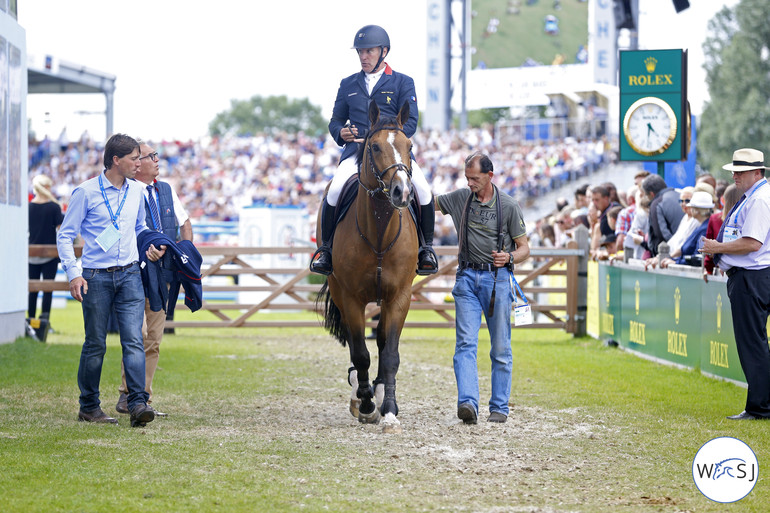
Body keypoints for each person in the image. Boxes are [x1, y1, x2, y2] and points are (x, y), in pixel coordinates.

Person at [310, 25, 437, 276]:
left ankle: (426, 249)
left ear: (383, 51)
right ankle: (325, 250)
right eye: (360, 52)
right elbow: (335, 122)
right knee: (334, 190)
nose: (363, 57)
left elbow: (410, 123)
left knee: (423, 189)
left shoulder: (403, 82)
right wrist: (340, 133)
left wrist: (384, 136)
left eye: (369, 51)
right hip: (356, 152)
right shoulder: (348, 84)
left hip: (391, 153)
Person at [57, 134, 164, 427]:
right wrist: (73, 274)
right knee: (95, 344)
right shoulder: (86, 192)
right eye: (134, 158)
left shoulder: (137, 192)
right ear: (116, 160)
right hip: (95, 277)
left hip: (130, 274)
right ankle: (88, 407)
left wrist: (150, 244)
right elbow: (65, 235)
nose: (139, 164)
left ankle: (137, 403)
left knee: (134, 340)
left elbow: (139, 226)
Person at [435, 153, 530, 424]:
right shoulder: (458, 199)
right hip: (465, 278)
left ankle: (499, 407)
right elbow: (427, 204)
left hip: (497, 281)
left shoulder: (509, 206)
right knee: (465, 343)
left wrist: (510, 257)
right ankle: (468, 403)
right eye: (467, 178)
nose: (470, 183)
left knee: (500, 346)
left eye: (474, 178)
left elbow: (524, 248)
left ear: (490, 175)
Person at [115, 140, 193, 418]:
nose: (157, 160)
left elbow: (184, 222)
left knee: (154, 339)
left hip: (164, 276)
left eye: (153, 155)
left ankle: (142, 397)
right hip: (135, 273)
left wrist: (187, 254)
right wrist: (144, 246)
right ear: (137, 165)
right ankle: (128, 396)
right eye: (150, 156)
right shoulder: (127, 191)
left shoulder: (166, 189)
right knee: (137, 335)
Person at [700, 148, 770, 420]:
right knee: (756, 342)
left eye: (740, 171)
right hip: (754, 275)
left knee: (752, 343)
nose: (734, 175)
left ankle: (759, 407)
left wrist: (718, 247)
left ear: (756, 172)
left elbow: (752, 243)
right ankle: (761, 403)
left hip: (751, 276)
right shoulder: (755, 196)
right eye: (734, 170)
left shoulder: (759, 200)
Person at [28, 174, 64, 322]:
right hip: (50, 253)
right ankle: (45, 321)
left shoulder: (28, 207)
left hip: (32, 253)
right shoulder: (54, 207)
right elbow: (62, 229)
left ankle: (30, 319)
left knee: (33, 289)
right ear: (46, 187)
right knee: (48, 288)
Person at [658, 191, 714, 268]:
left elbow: (698, 258)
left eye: (691, 207)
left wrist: (676, 262)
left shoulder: (704, 229)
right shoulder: (701, 226)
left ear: (697, 210)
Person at [641, 174, 684, 257]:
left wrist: (672, 252)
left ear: (652, 194)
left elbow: (661, 234)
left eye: (647, 196)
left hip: (670, 257)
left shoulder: (656, 203)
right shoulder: (681, 196)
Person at [703, 184, 739, 280]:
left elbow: (708, 246)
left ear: (723, 200)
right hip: (742, 271)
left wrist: (708, 269)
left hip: (721, 269)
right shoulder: (745, 219)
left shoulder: (715, 219)